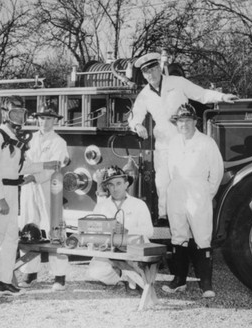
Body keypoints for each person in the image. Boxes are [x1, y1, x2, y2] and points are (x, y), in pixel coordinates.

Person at [128, 52, 238, 226]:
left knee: (187, 178)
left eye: (153, 70)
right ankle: (164, 218)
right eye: (146, 73)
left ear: (159, 68)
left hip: (185, 141)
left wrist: (222, 97)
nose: (151, 75)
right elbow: (135, 116)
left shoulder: (177, 83)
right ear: (143, 74)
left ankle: (190, 216)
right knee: (163, 182)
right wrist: (137, 126)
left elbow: (201, 94)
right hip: (163, 144)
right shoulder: (144, 94)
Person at [0, 96, 59, 304]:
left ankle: (3, 282)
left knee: (10, 239)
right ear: (5, 113)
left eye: (22, 113)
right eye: (14, 112)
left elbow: (21, 167)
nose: (19, 116)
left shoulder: (15, 139)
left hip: (13, 192)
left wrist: (46, 165)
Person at [162, 103, 224, 298]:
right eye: (181, 121)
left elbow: (217, 171)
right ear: (176, 123)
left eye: (188, 120)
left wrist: (207, 194)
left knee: (202, 236)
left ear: (195, 122)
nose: (184, 124)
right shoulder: (172, 143)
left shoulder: (206, 142)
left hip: (198, 192)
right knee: (178, 234)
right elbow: (167, 171)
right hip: (177, 191)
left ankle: (206, 284)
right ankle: (178, 280)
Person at [18, 102, 71, 291]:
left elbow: (55, 165)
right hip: (29, 187)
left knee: (54, 227)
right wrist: (27, 175)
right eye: (41, 118)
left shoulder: (59, 142)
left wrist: (35, 175)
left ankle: (59, 275)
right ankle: (29, 271)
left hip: (50, 187)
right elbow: (22, 162)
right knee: (29, 225)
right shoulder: (28, 139)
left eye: (49, 118)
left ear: (55, 120)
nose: (44, 122)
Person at [87, 166, 153, 290]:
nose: (115, 188)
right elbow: (92, 231)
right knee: (95, 271)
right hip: (110, 251)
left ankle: (132, 276)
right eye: (111, 185)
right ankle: (122, 275)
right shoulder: (101, 206)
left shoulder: (139, 204)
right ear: (107, 187)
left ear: (126, 184)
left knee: (138, 279)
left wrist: (124, 232)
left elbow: (149, 231)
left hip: (134, 250)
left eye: (118, 183)